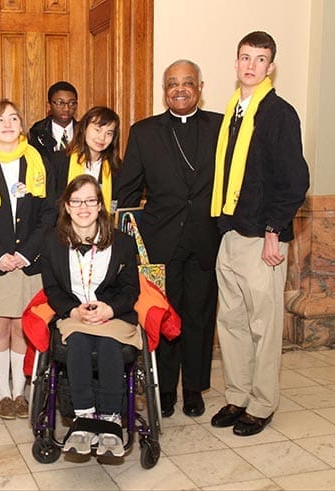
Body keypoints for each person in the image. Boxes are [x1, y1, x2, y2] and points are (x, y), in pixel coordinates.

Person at [209, 31, 309, 436]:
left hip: (261, 240)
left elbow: (294, 181)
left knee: (263, 326)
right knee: (231, 322)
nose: (251, 65)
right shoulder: (235, 111)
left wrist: (274, 231)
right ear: (236, 63)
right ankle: (238, 395)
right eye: (245, 57)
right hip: (231, 232)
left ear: (271, 67)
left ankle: (263, 403)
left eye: (260, 59)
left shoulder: (278, 114)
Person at [116, 60, 222, 418]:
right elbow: (127, 193)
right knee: (165, 318)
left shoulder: (222, 128)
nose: (180, 89)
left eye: (187, 83)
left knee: (199, 317)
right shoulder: (144, 132)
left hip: (206, 240)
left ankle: (193, 388)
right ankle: (165, 388)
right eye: (172, 83)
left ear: (200, 87)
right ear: (165, 90)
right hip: (160, 243)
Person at [41, 175, 141, 457]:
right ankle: (83, 417)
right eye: (76, 201)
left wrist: (109, 309)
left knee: (108, 345)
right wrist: (73, 311)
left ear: (100, 206)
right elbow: (52, 289)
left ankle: (110, 418)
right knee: (79, 342)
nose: (83, 207)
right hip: (75, 313)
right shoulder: (51, 242)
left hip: (114, 314)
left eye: (90, 201)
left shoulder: (122, 242)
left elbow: (130, 288)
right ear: (67, 206)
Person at [0, 99, 56, 420]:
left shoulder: (38, 162)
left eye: (13, 118)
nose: (7, 124)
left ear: (21, 126)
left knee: (23, 328)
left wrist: (26, 252)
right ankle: (3, 392)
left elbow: (49, 212)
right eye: (0, 120)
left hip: (29, 261)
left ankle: (20, 392)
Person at [51, 106, 122, 213]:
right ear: (84, 129)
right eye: (97, 130)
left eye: (109, 133)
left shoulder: (116, 167)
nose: (102, 138)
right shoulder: (59, 161)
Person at [29, 81, 78, 161]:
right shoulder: (37, 133)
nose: (66, 108)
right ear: (49, 105)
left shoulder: (84, 132)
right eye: (60, 103)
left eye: (72, 103)